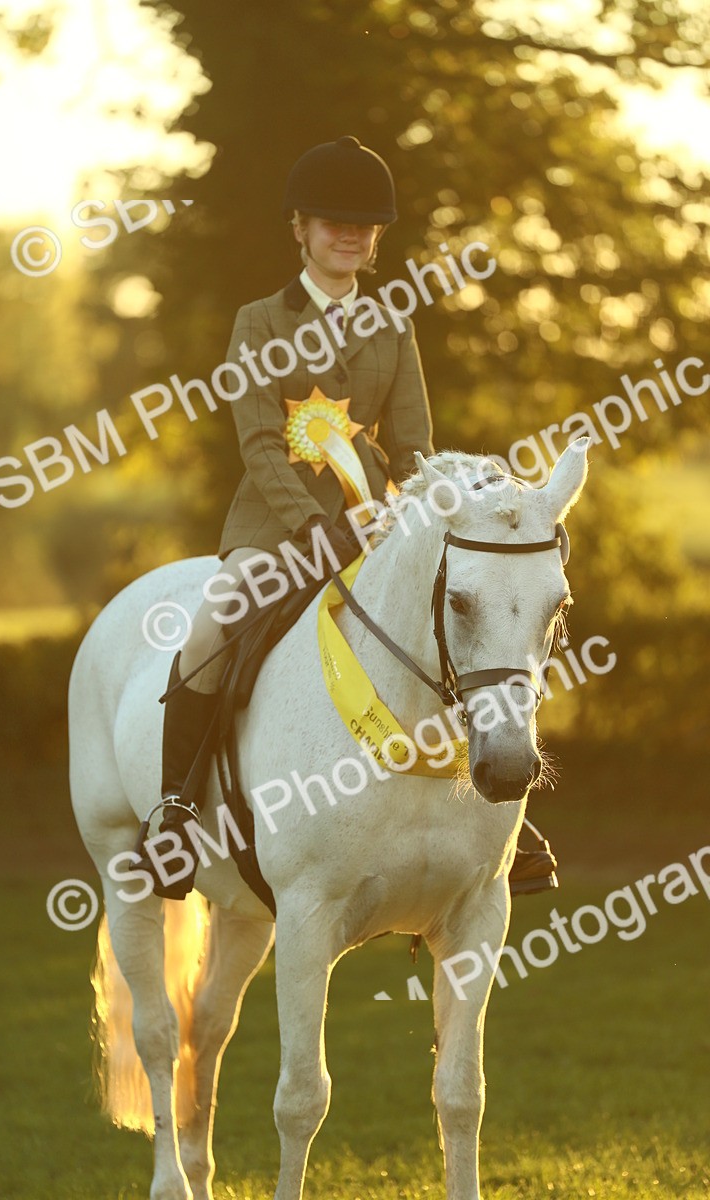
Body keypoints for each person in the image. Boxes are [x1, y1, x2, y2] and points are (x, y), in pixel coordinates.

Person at [140, 135, 556, 900]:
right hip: (276, 530)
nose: (350, 235)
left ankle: (500, 818)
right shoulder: (259, 322)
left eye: (364, 225)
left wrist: (419, 514)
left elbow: (415, 446)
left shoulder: (394, 325)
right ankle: (176, 811)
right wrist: (311, 526)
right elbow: (259, 443)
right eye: (334, 222)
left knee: (455, 627)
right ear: (300, 227)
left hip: (377, 529)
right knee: (212, 625)